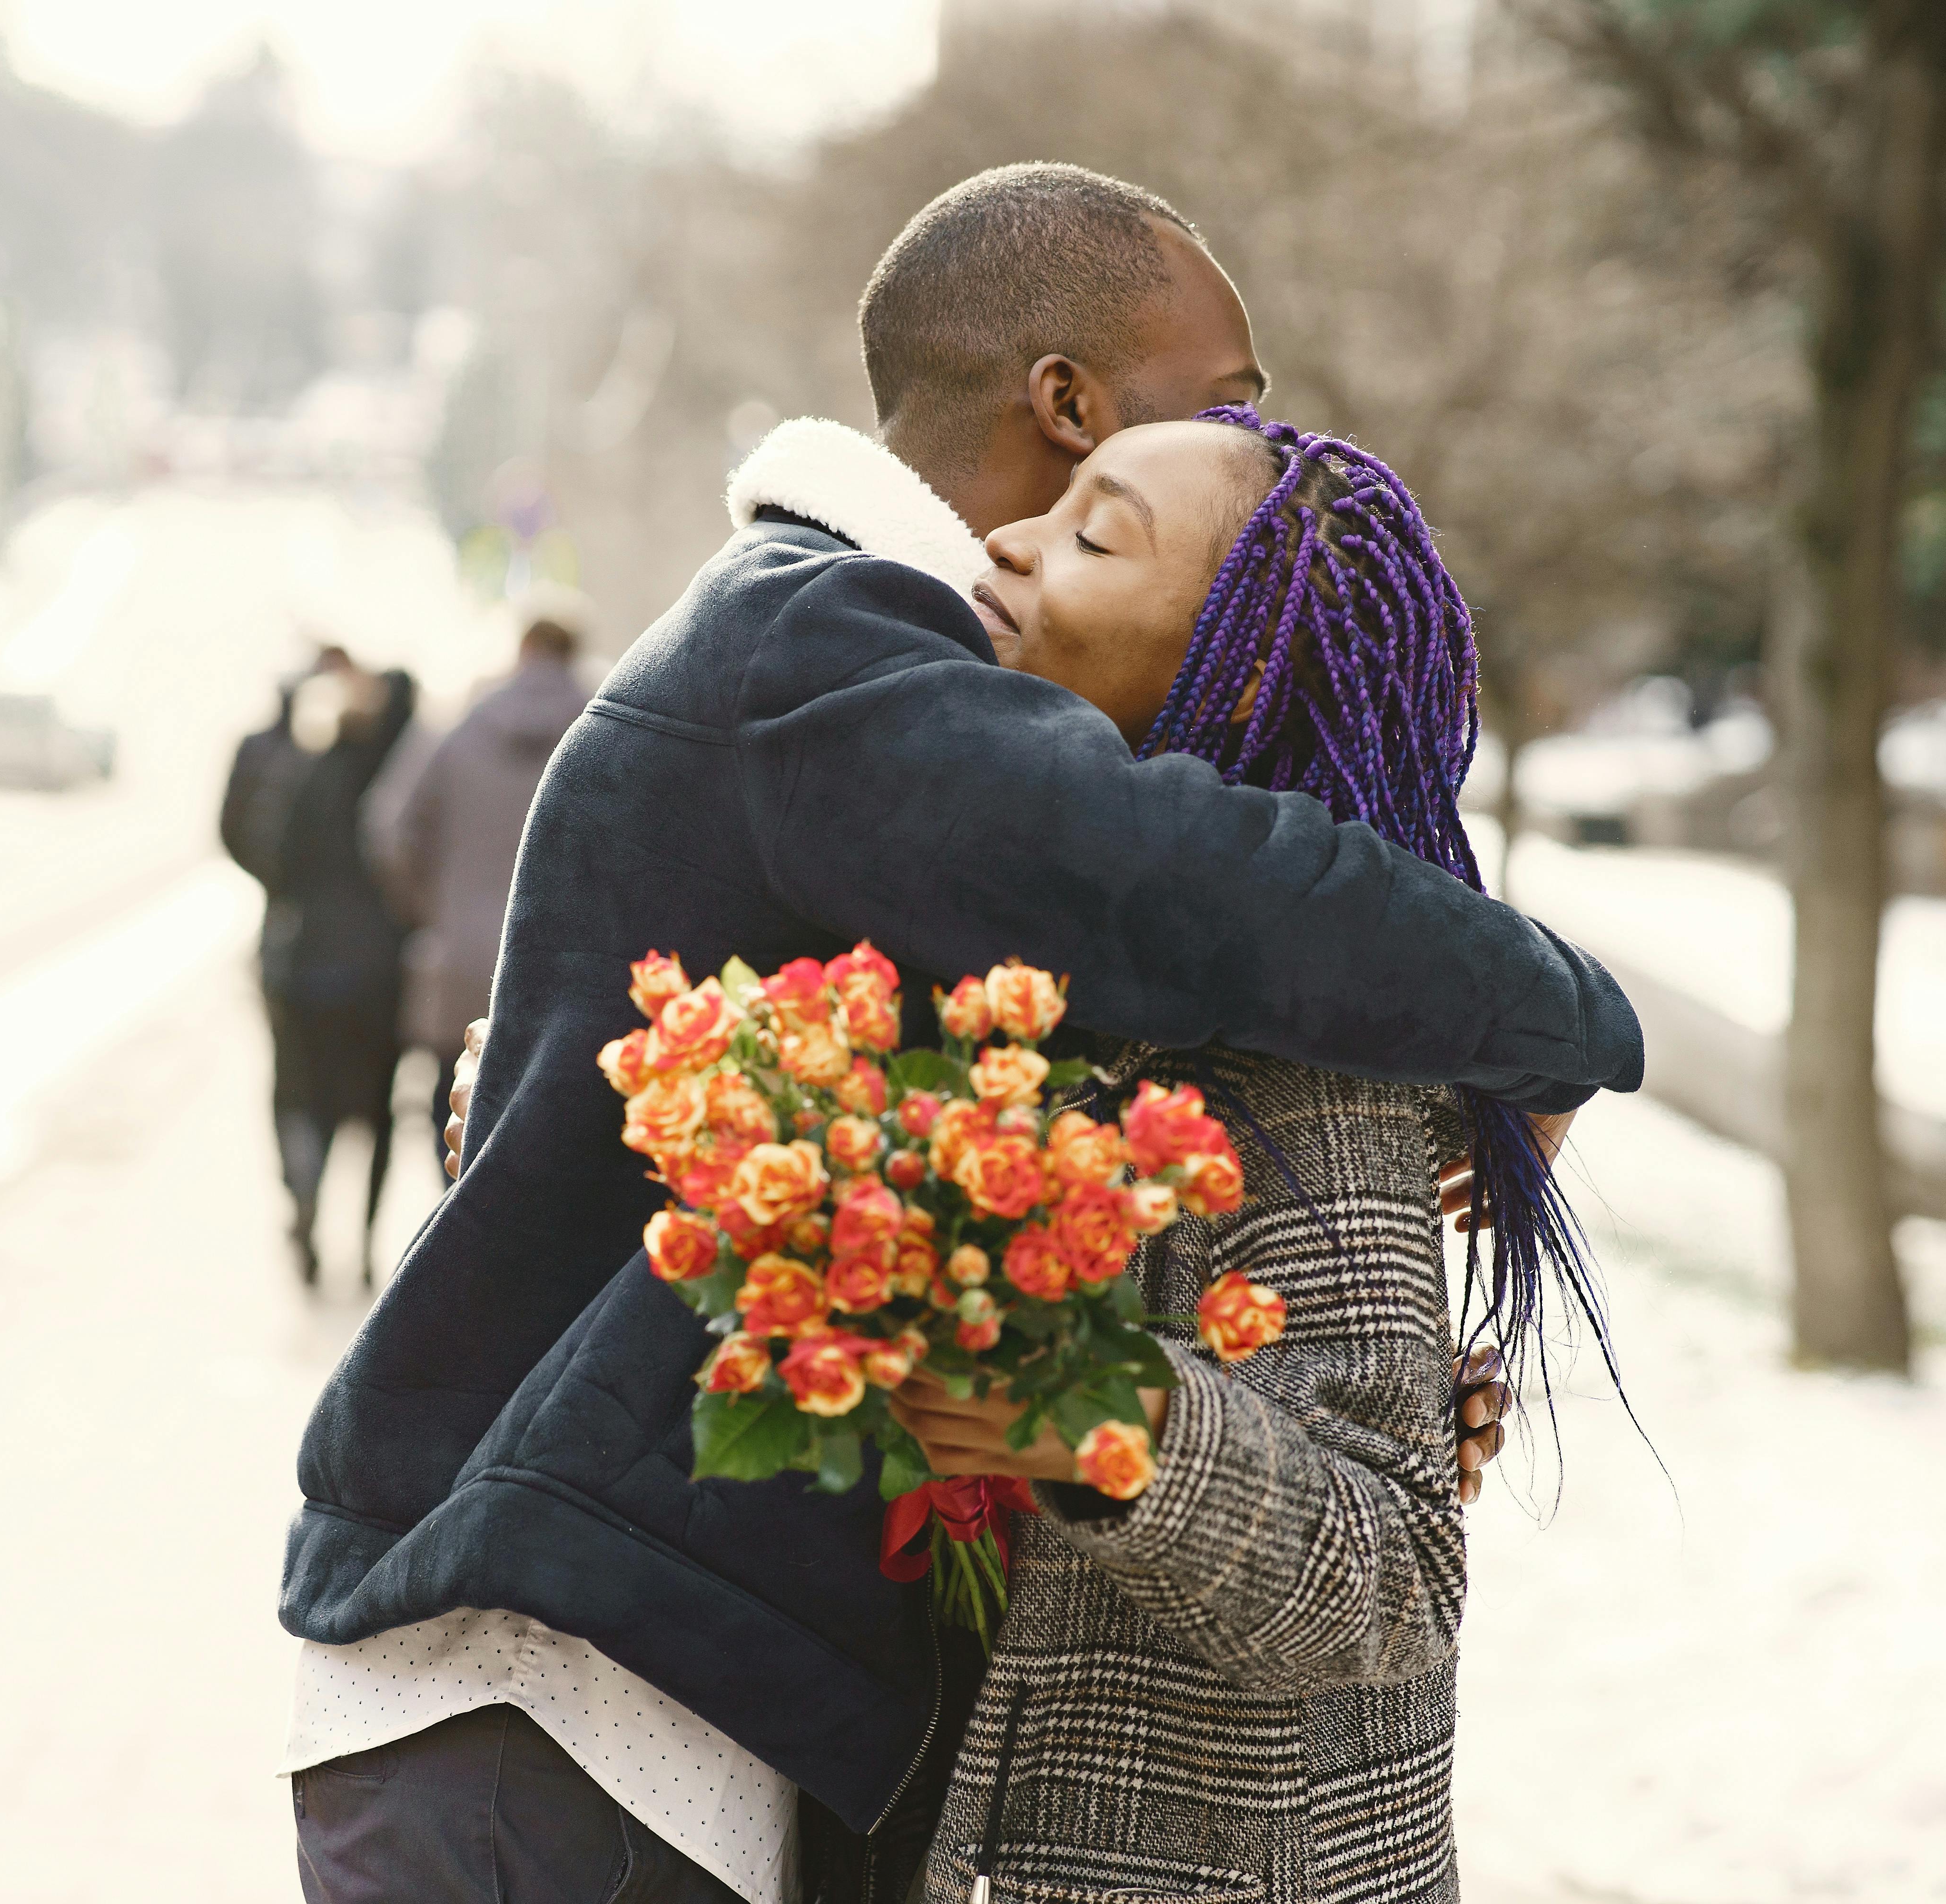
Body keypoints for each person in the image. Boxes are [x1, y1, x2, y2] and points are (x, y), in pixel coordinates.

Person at [282, 165, 1639, 1904]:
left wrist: (1280, 1389)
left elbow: (1337, 1507)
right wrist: (1562, 1020)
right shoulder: (830, 643)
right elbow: (1213, 884)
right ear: (1065, 401)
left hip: (638, 1701)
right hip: (553, 1677)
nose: (1263, 428)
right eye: (1228, 399)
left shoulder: (873, 705)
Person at [885, 410, 1600, 1901]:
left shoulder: (1301, 1076)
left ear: (1243, 668)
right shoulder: (1049, 972)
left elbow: (1393, 1571)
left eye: (1093, 531)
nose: (1007, 541)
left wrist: (1094, 1410)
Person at [220, 646, 417, 1289]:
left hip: (302, 963)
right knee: (377, 1110)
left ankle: (306, 1198)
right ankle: (363, 1249)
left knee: (305, 1099)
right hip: (379, 968)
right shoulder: (395, 774)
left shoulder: (309, 773)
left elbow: (265, 849)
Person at [365, 610, 593, 1131]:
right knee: (545, 1118)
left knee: (451, 1100)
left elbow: (391, 829)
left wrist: (430, 908)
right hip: (562, 966)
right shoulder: (606, 727)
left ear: (522, 649)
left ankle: (452, 1207)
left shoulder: (461, 725)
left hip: (461, 953)